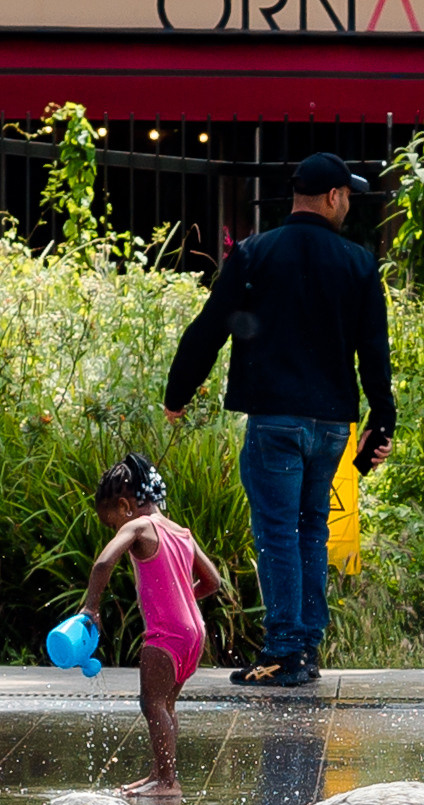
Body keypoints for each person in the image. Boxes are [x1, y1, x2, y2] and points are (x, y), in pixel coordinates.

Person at [164, 151, 396, 689]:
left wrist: (178, 394)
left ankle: (284, 651)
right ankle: (305, 648)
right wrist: (380, 425)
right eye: (348, 197)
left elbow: (209, 329)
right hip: (333, 425)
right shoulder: (360, 264)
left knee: (276, 531)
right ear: (335, 196)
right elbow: (375, 354)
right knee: (311, 526)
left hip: (274, 423)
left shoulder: (254, 253)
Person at [77, 453, 226, 798]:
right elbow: (214, 581)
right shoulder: (181, 532)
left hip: (167, 633)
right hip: (194, 633)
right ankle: (160, 774)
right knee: (165, 705)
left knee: (151, 704)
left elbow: (103, 563)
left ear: (126, 506)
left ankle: (167, 781)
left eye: (112, 522)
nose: (117, 529)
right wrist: (183, 597)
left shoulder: (138, 527)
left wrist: (91, 607)